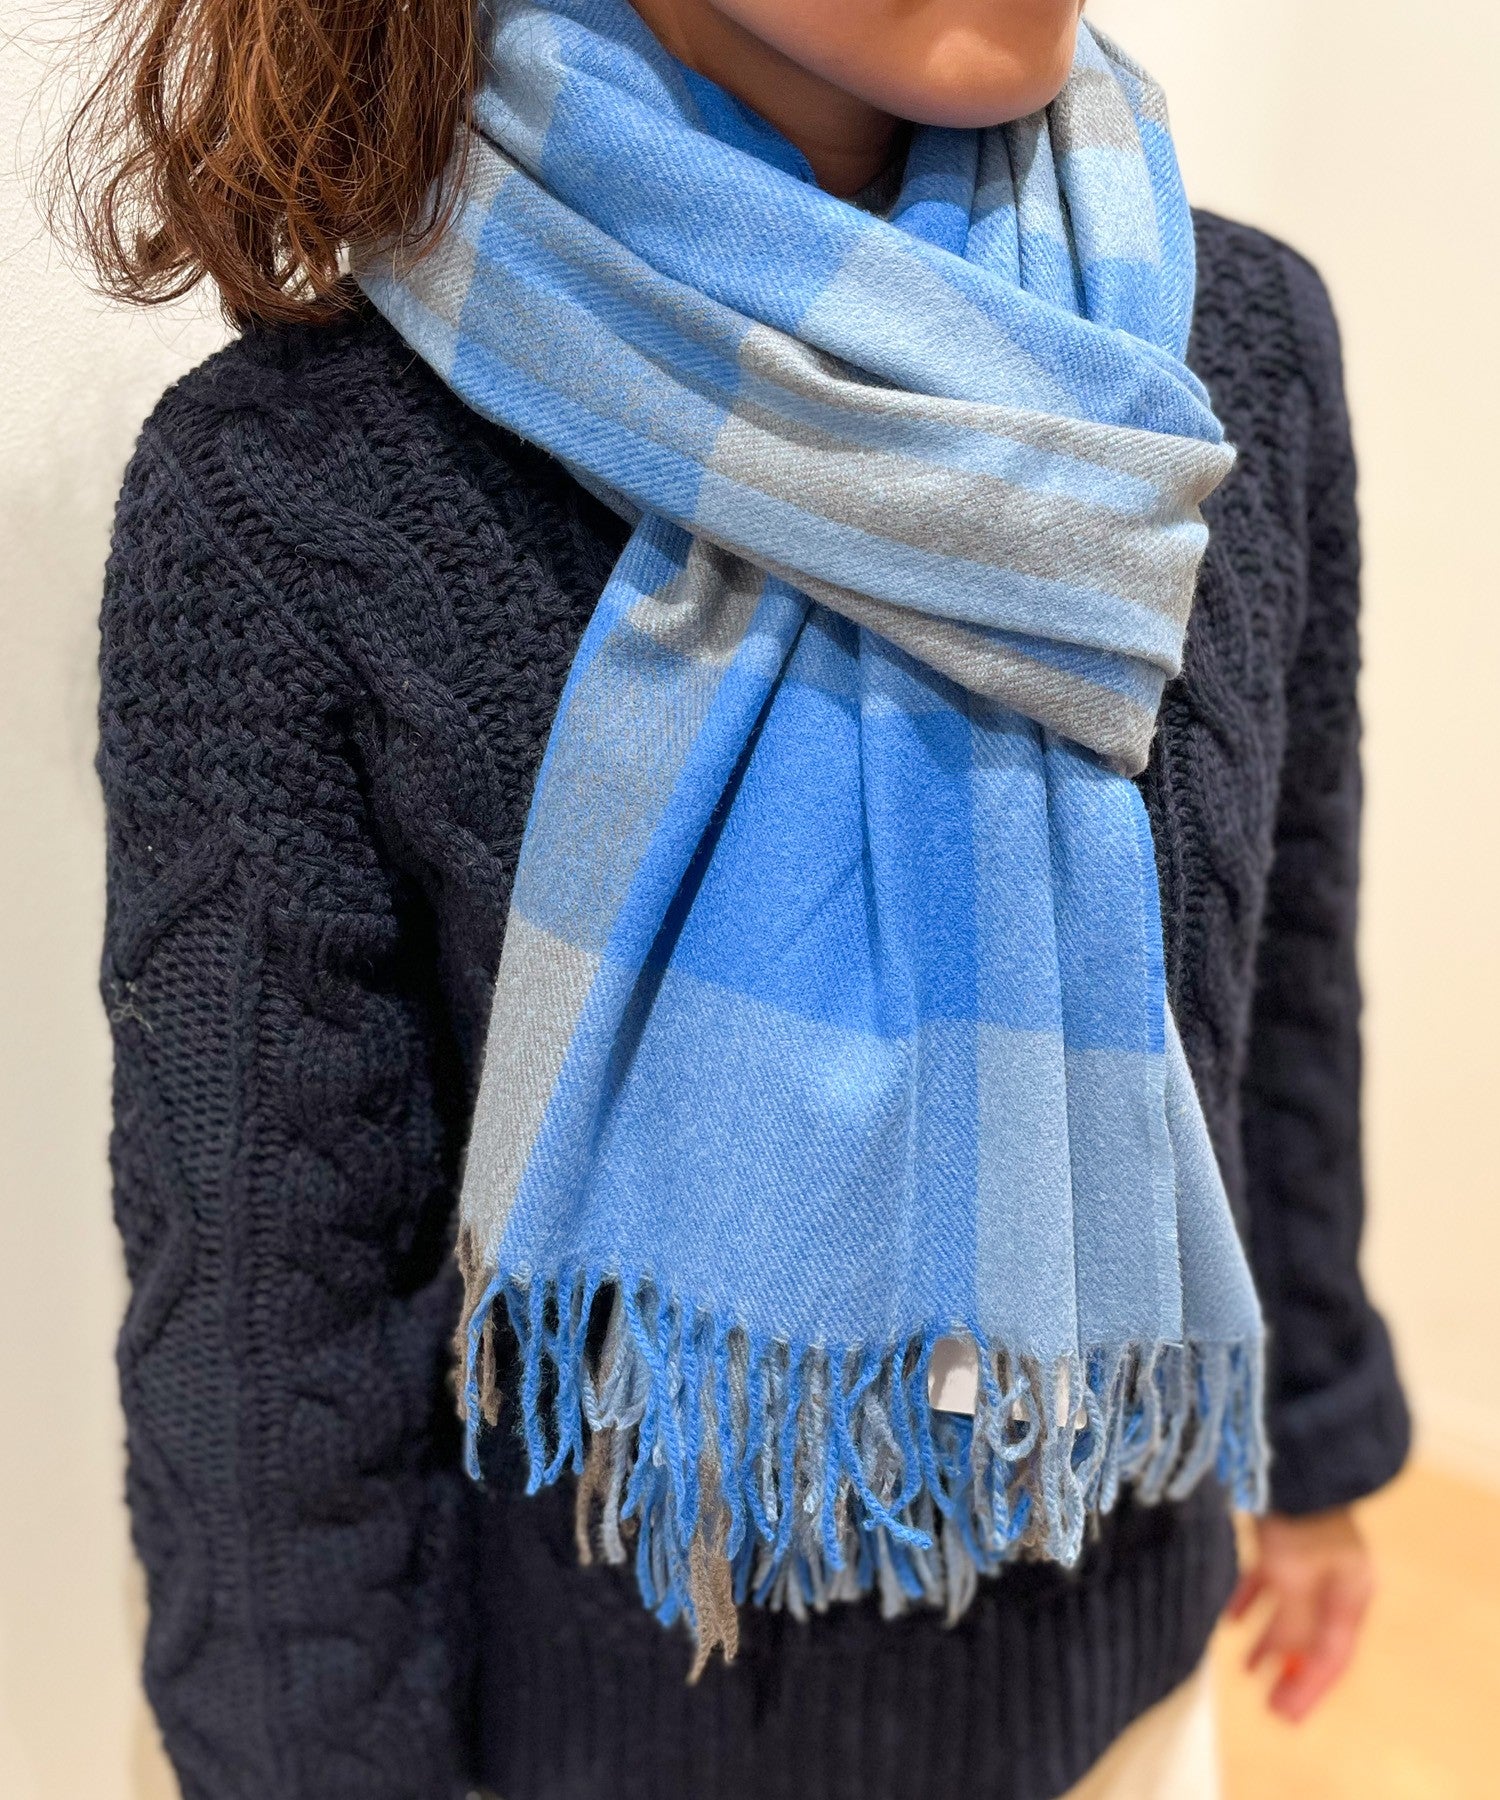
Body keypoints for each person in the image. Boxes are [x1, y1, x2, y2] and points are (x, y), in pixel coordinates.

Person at [66, 0, 1410, 1795]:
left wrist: (1315, 1441)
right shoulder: (296, 490)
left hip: (1132, 1689)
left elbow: (1281, 965)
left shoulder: (1232, 348)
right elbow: (270, 1340)